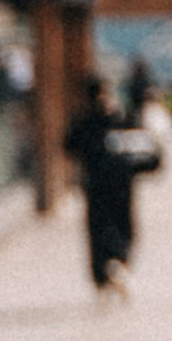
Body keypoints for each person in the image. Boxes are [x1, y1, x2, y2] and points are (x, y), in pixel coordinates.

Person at [65, 74, 157, 295]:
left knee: (100, 229)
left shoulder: (84, 121)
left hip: (98, 185)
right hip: (119, 184)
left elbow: (69, 146)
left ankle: (106, 272)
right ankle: (117, 263)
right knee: (122, 225)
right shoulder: (119, 118)